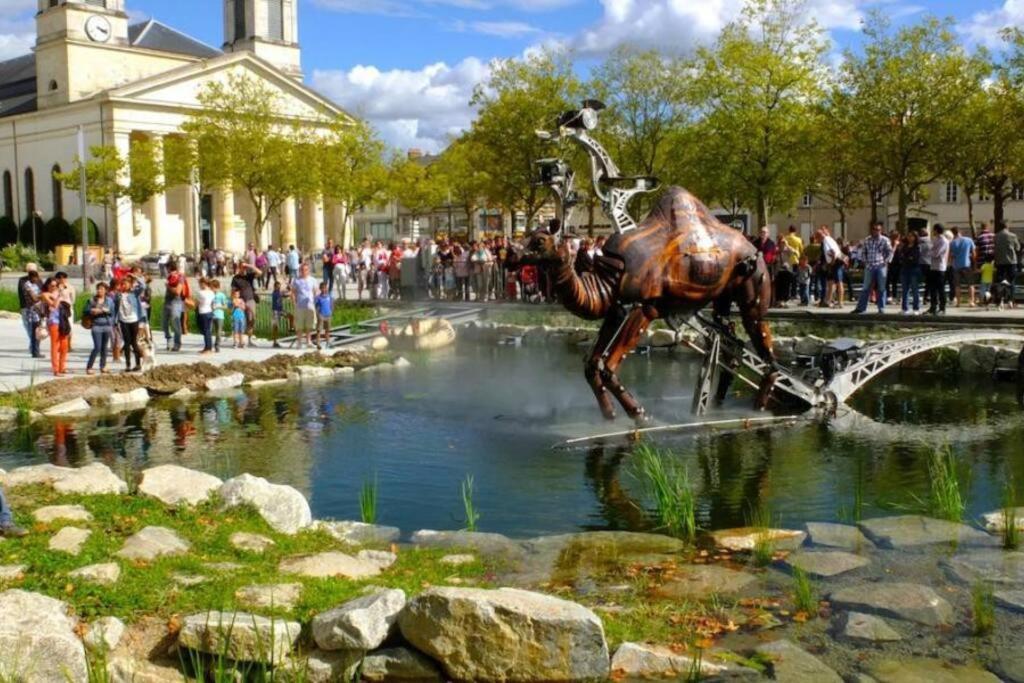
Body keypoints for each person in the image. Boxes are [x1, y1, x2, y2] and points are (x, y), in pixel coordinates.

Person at [853, 221, 893, 315]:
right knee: (866, 287)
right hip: (870, 266)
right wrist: (865, 262)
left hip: (881, 266)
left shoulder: (885, 240)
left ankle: (881, 308)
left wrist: (886, 262)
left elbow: (890, 252)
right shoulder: (867, 240)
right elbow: (863, 252)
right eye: (874, 229)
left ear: (881, 230)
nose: (876, 231)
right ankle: (861, 308)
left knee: (881, 287)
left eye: (878, 230)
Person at [40, 278, 70, 376]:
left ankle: (62, 367)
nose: (54, 287)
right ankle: (56, 369)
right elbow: (54, 305)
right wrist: (59, 294)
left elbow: (68, 303)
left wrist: (62, 290)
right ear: (47, 285)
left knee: (64, 345)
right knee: (55, 345)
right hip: (53, 322)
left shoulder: (58, 293)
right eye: (52, 285)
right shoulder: (45, 294)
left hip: (63, 320)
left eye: (55, 285)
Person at [114, 276, 143, 372]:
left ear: (130, 285)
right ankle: (128, 365)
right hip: (123, 320)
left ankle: (138, 364)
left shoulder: (134, 293)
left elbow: (142, 286)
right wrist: (115, 321)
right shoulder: (118, 295)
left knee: (134, 342)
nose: (124, 285)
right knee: (126, 343)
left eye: (126, 283)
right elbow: (115, 308)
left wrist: (135, 277)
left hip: (133, 320)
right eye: (122, 284)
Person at [230, 262, 261, 348]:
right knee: (240, 321)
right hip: (240, 301)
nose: (244, 269)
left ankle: (249, 339)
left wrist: (249, 265)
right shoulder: (236, 278)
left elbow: (260, 272)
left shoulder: (249, 276)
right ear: (239, 268)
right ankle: (240, 340)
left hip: (250, 300)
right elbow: (232, 291)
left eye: (244, 268)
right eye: (242, 267)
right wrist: (233, 302)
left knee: (252, 320)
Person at [86, 282, 114, 374]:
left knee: (104, 348)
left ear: (106, 290)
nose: (99, 290)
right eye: (98, 289)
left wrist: (102, 311)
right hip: (96, 325)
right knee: (97, 347)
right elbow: (86, 310)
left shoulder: (109, 300)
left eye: (102, 289)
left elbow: (113, 312)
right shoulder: (92, 300)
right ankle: (89, 367)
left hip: (107, 325)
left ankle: (103, 366)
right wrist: (92, 310)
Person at [291, 262, 319, 348]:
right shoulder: (296, 280)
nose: (304, 271)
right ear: (300, 271)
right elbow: (293, 292)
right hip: (300, 305)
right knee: (299, 325)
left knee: (309, 324)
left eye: (306, 270)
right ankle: (299, 342)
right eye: (302, 270)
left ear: (308, 270)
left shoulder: (313, 280)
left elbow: (316, 291)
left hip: (310, 305)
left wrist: (315, 302)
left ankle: (308, 341)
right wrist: (294, 303)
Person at [18, 265, 43, 358]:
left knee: (36, 331)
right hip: (31, 311)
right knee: (34, 331)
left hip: (38, 310)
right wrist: (43, 296)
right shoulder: (26, 284)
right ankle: (35, 351)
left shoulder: (36, 282)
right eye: (35, 277)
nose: (37, 279)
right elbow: (34, 298)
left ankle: (35, 350)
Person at [995, 222, 1021, 308]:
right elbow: (1018, 248)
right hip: (1011, 262)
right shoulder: (1012, 235)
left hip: (999, 262)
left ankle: (1001, 301)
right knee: (1011, 281)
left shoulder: (996, 236)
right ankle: (1010, 301)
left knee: (1001, 282)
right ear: (1007, 226)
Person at [948, 227, 976, 307]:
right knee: (970, 284)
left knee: (957, 285)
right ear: (960, 231)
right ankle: (971, 302)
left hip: (956, 266)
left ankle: (958, 302)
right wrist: (973, 262)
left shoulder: (952, 243)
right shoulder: (968, 240)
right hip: (966, 264)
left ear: (953, 233)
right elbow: (974, 254)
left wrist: (951, 262)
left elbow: (950, 256)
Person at [927, 223, 950, 316]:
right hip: (933, 266)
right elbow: (931, 251)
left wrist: (930, 252)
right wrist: (931, 251)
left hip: (940, 267)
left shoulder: (944, 241)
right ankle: (933, 307)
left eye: (933, 229)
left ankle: (942, 308)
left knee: (940, 289)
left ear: (936, 230)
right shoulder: (935, 239)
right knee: (932, 288)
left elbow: (936, 253)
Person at [898, 230, 922, 314]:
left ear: (915, 237)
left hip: (914, 269)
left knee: (915, 289)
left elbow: (915, 258)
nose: (910, 238)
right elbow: (901, 257)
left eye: (912, 236)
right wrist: (907, 258)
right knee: (905, 289)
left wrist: (907, 258)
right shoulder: (904, 246)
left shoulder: (917, 247)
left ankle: (916, 308)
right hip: (904, 269)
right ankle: (905, 308)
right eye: (908, 236)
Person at [164, 261, 184, 352]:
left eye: (167, 268)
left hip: (176, 302)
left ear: (169, 268)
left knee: (176, 324)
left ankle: (177, 343)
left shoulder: (180, 277)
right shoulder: (169, 277)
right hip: (167, 302)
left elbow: (178, 292)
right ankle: (169, 340)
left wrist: (168, 286)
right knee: (164, 323)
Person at [195, 278, 215, 355]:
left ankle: (208, 348)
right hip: (209, 311)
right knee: (208, 331)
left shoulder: (200, 293)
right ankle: (207, 347)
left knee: (205, 331)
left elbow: (196, 303)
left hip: (203, 312)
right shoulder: (211, 292)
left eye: (200, 284)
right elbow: (212, 303)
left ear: (203, 283)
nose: (199, 285)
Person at [315, 282, 333, 350]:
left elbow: (331, 304)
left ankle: (328, 342)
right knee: (319, 330)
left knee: (327, 330)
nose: (324, 289)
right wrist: (318, 314)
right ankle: (318, 343)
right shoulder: (318, 297)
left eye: (325, 288)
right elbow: (316, 306)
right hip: (321, 315)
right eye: (323, 288)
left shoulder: (329, 296)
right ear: (320, 289)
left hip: (328, 315)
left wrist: (331, 312)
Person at [211, 279, 228, 352]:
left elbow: (225, 306)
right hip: (211, 315)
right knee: (209, 331)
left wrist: (218, 307)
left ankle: (217, 346)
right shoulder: (210, 294)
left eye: (212, 287)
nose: (211, 289)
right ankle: (208, 345)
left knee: (218, 332)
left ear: (216, 287)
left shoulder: (221, 295)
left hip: (219, 316)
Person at [271, 280, 286, 349]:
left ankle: (291, 328)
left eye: (279, 287)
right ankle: (275, 341)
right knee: (275, 326)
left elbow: (283, 295)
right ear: (275, 287)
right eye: (277, 287)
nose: (278, 288)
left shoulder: (278, 293)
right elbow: (280, 296)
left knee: (290, 316)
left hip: (280, 310)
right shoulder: (275, 293)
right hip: (276, 311)